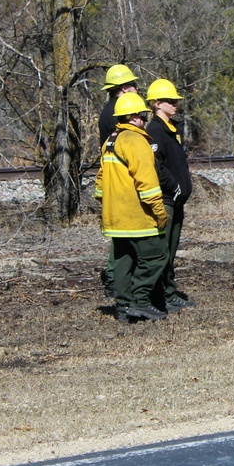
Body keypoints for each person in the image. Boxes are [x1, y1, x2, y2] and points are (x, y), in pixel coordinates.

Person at [94, 92, 169, 322]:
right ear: (134, 117)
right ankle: (140, 301)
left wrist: (106, 203)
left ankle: (124, 306)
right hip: (137, 216)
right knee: (156, 256)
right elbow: (147, 181)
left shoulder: (111, 141)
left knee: (123, 261)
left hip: (115, 217)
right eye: (143, 116)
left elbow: (100, 181)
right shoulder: (136, 141)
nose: (144, 121)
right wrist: (159, 211)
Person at [145, 78, 194, 313]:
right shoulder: (154, 130)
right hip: (166, 200)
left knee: (171, 249)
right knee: (162, 249)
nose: (174, 104)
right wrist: (173, 186)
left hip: (177, 200)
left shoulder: (173, 128)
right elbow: (156, 164)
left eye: (175, 100)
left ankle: (169, 292)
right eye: (169, 101)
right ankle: (159, 295)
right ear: (156, 104)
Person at [98, 63, 139, 297]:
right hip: (120, 178)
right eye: (133, 84)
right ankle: (115, 278)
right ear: (123, 88)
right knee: (122, 233)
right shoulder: (118, 112)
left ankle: (118, 276)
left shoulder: (110, 108)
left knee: (121, 232)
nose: (136, 88)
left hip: (115, 176)